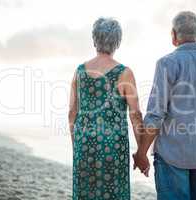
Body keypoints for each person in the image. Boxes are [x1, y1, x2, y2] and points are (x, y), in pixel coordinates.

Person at [133, 11, 196, 200]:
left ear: (174, 35)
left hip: (171, 158)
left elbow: (155, 115)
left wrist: (141, 153)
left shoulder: (166, 63)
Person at [68, 17, 144, 200]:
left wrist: (76, 145)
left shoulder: (79, 72)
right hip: (113, 147)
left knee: (85, 193)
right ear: (117, 42)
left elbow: (72, 114)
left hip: (84, 143)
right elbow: (136, 115)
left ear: (94, 39)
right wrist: (141, 153)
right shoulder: (124, 73)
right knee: (113, 193)